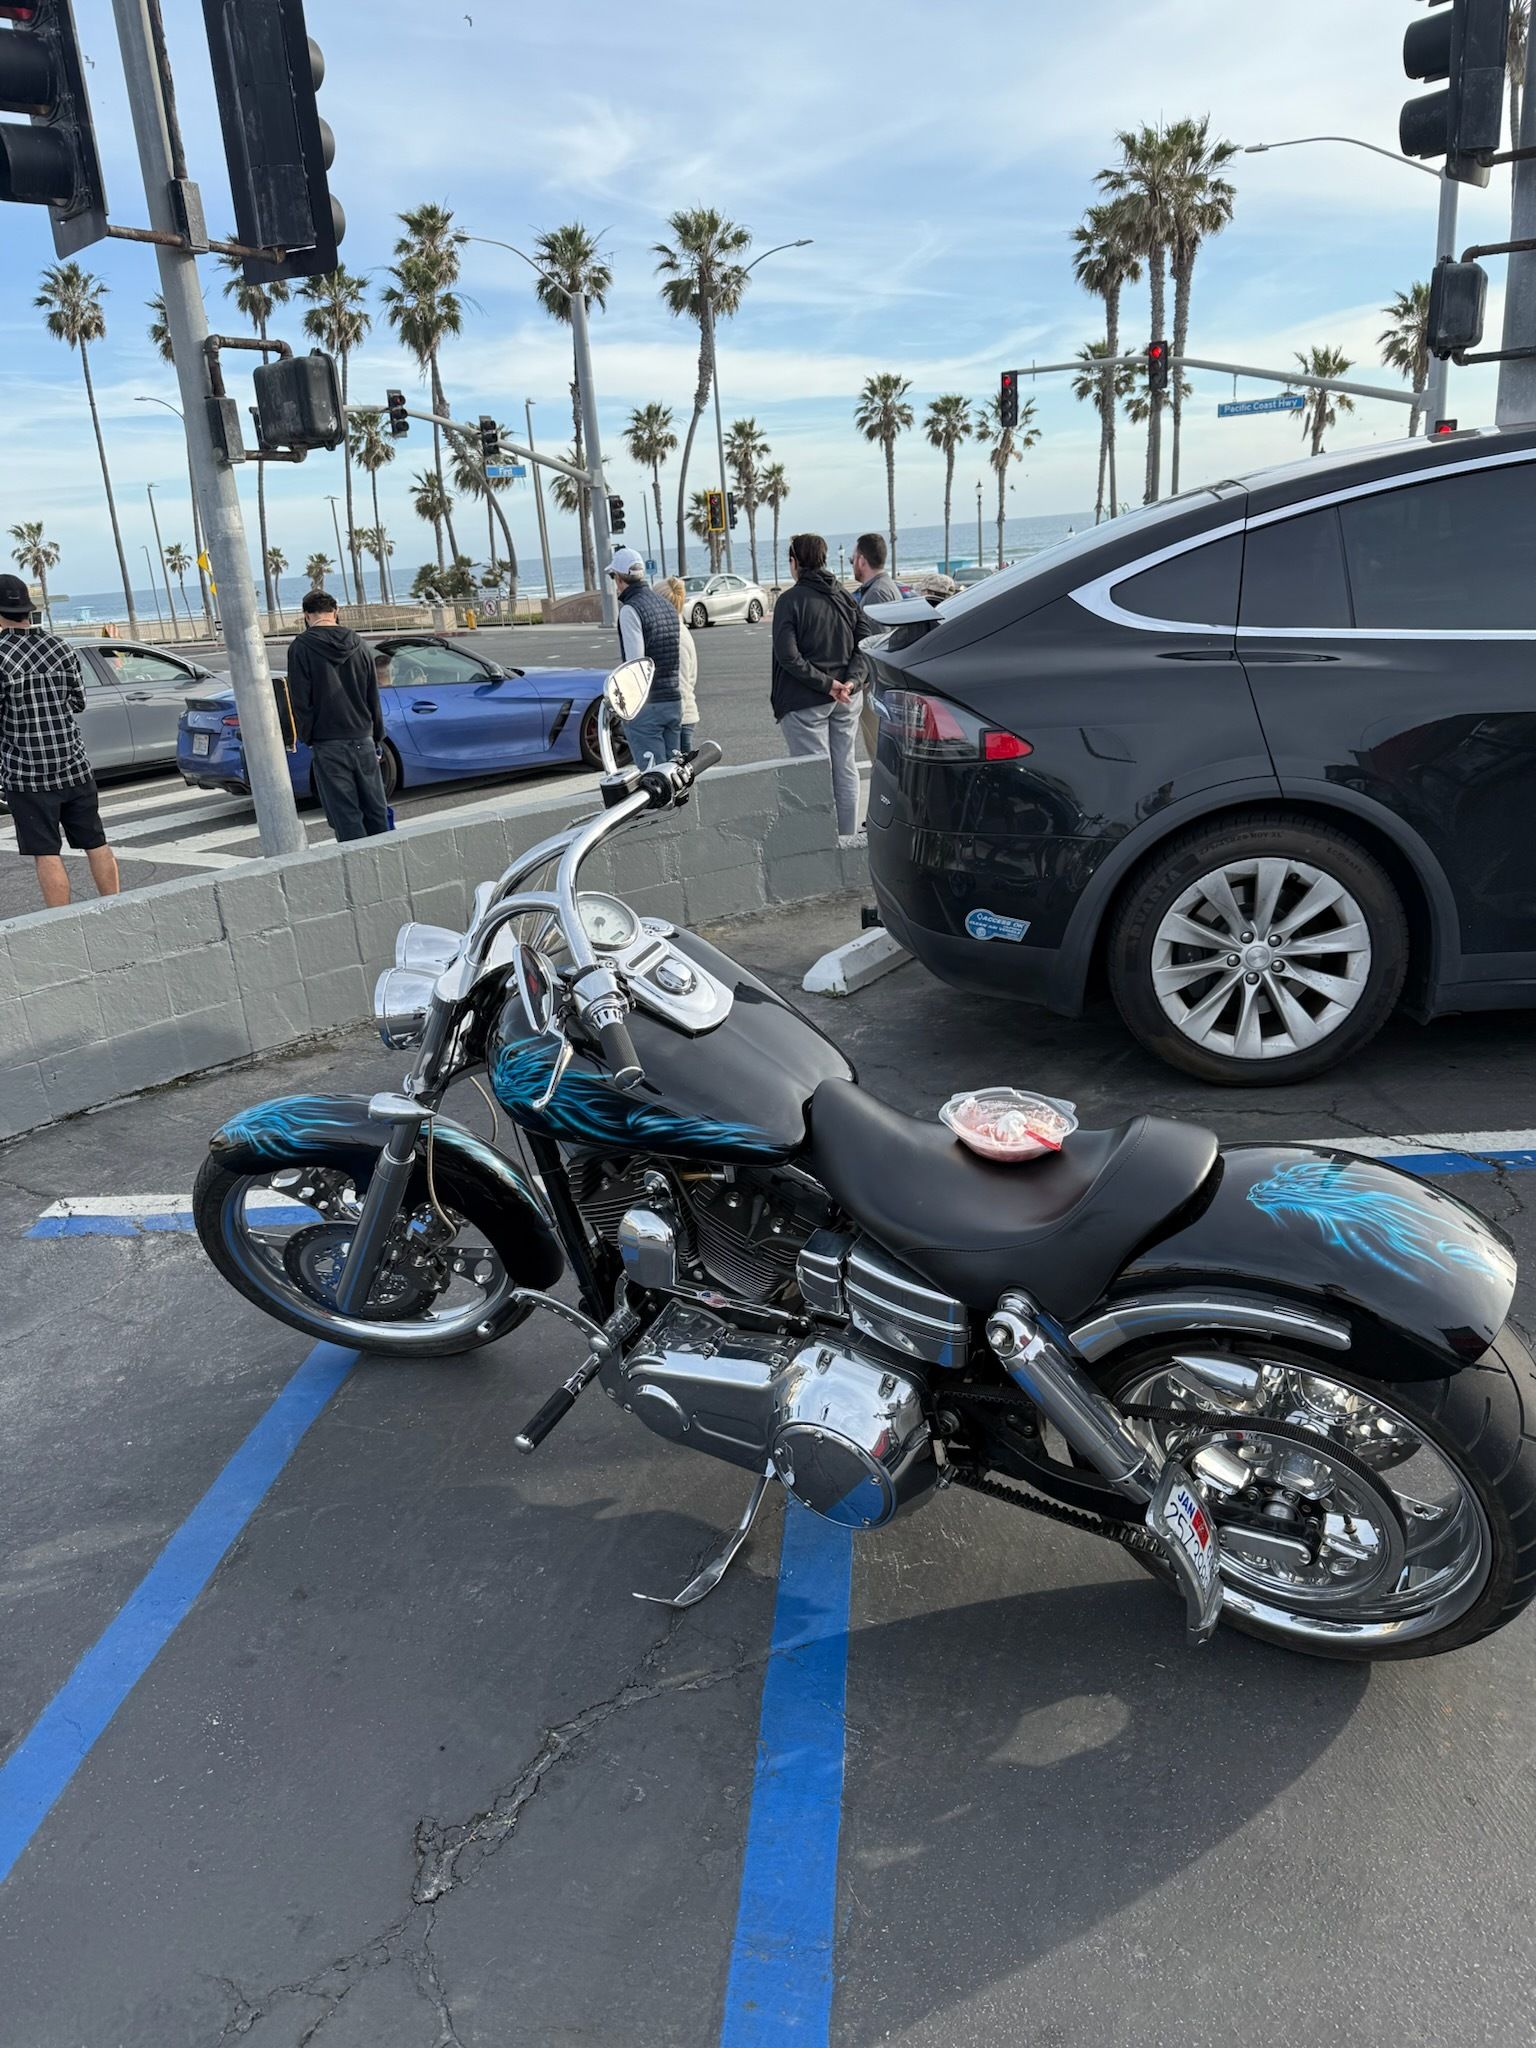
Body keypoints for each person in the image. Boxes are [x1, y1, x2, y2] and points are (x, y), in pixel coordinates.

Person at [0, 572, 119, 909]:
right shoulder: (61, 647)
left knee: (46, 853)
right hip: (74, 766)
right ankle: (115, 907)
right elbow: (78, 701)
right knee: (96, 842)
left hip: (27, 775)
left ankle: (62, 921)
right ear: (28, 609)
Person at [771, 533, 866, 838]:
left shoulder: (790, 601)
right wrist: (850, 681)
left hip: (806, 701)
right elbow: (865, 643)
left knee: (814, 775)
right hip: (847, 698)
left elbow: (788, 656)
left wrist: (827, 684)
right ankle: (847, 837)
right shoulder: (845, 596)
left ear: (795, 562)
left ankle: (821, 842)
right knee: (845, 767)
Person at [287, 590, 389, 842]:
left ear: (307, 615)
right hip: (363, 737)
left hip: (327, 740)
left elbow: (301, 700)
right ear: (336, 612)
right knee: (375, 808)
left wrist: (308, 736)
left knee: (344, 813)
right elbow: (371, 694)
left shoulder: (300, 647)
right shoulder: (359, 643)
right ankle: (384, 861)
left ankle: (359, 866)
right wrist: (376, 737)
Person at [608, 546, 682, 766]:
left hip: (647, 706)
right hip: (673, 700)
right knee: (675, 774)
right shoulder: (666, 606)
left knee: (654, 777)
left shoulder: (630, 610)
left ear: (620, 579)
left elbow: (635, 664)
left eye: (614, 577)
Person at [851, 532, 901, 761]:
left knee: (878, 755)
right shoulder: (885, 587)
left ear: (862, 560)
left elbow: (878, 646)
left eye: (853, 559)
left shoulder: (875, 595)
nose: (853, 564)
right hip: (883, 687)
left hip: (877, 688)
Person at [662, 575, 700, 752]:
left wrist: (670, 720)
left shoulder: (676, 637)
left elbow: (682, 685)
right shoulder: (676, 632)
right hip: (680, 718)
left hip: (680, 720)